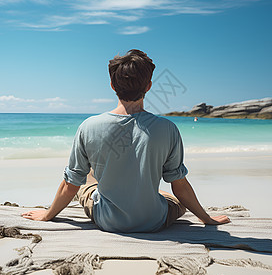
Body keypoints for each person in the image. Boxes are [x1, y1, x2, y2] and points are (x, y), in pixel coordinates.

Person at [22, 49, 230, 232]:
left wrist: (48, 215)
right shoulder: (168, 129)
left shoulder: (89, 126)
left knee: (87, 176)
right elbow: (180, 185)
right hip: (154, 221)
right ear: (148, 86)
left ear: (112, 85)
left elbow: (70, 185)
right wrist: (207, 219)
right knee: (174, 199)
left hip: (107, 221)